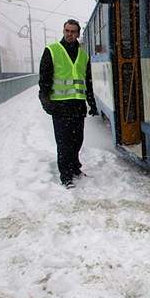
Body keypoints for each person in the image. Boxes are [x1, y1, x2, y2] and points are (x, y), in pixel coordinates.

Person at [39, 19, 98, 189]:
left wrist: (91, 103)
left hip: (77, 106)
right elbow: (44, 79)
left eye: (73, 31)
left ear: (78, 34)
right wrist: (46, 102)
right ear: (63, 31)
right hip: (60, 106)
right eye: (67, 31)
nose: (70, 34)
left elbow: (87, 81)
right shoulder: (52, 50)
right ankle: (66, 176)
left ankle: (75, 168)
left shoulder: (84, 55)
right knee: (63, 142)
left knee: (77, 140)